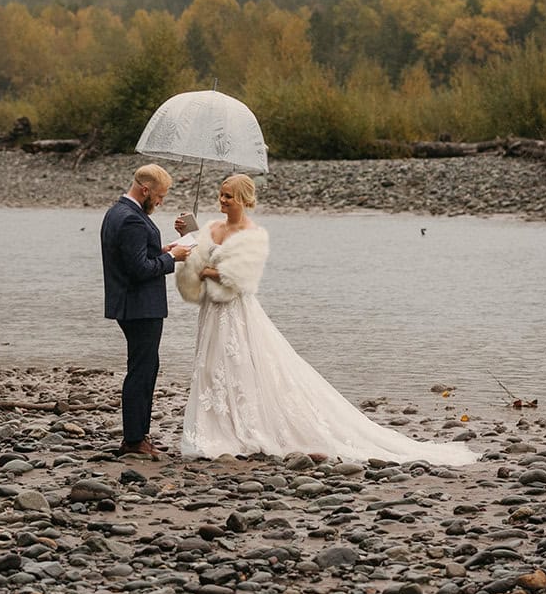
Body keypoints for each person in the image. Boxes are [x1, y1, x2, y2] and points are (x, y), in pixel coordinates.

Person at [173, 174, 479, 465]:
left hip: (236, 312)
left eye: (228, 196)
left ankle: (245, 427)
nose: (222, 200)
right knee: (211, 367)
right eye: (221, 195)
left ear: (243, 199)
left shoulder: (251, 234)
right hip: (212, 310)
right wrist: (187, 234)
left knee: (239, 366)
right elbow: (197, 254)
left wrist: (208, 271)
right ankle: (216, 426)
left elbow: (241, 278)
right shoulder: (212, 227)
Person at [101, 164, 190, 458]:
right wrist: (172, 260)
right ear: (145, 190)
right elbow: (139, 270)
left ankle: (139, 435)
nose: (161, 202)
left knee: (144, 367)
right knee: (142, 370)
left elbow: (134, 257)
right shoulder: (132, 220)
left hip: (131, 304)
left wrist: (163, 251)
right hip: (139, 306)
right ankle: (135, 439)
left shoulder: (118, 212)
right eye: (160, 196)